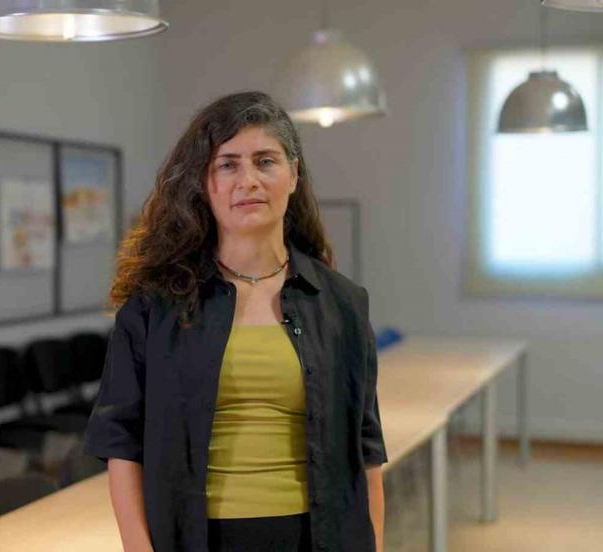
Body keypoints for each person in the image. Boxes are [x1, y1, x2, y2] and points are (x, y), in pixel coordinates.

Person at [84, 91, 387, 552]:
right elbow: (122, 443)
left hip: (317, 537)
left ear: (293, 174)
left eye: (265, 162)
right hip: (195, 538)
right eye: (228, 165)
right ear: (204, 182)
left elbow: (366, 450)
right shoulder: (153, 308)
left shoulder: (343, 304)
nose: (248, 181)